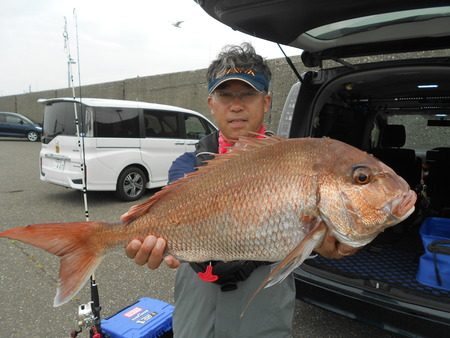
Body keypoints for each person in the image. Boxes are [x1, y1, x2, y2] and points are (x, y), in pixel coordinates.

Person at [124, 43, 357, 337]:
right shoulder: (188, 163)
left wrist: (323, 241)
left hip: (264, 291)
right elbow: (170, 219)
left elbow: (307, 228)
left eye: (248, 94)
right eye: (225, 95)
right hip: (197, 289)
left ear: (267, 101)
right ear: (211, 103)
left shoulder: (292, 161)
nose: (236, 105)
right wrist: (148, 239)